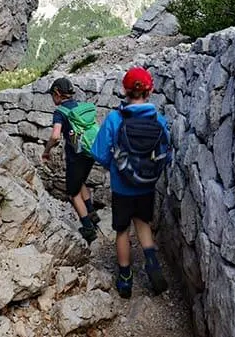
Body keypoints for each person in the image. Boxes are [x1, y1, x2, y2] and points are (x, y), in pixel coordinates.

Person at [90, 66, 171, 298]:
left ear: (124, 90)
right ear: (150, 90)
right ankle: (153, 263)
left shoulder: (116, 118)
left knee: (122, 230)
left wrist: (116, 167)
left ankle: (125, 277)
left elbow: (100, 153)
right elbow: (166, 151)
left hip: (122, 186)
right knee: (143, 222)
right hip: (147, 184)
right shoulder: (159, 119)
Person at [42, 77, 100, 243]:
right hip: (89, 153)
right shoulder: (80, 107)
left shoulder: (60, 112)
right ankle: (91, 212)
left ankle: (88, 228)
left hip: (76, 156)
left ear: (58, 93)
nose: (53, 99)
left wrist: (46, 151)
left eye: (53, 95)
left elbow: (55, 136)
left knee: (73, 193)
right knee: (80, 181)